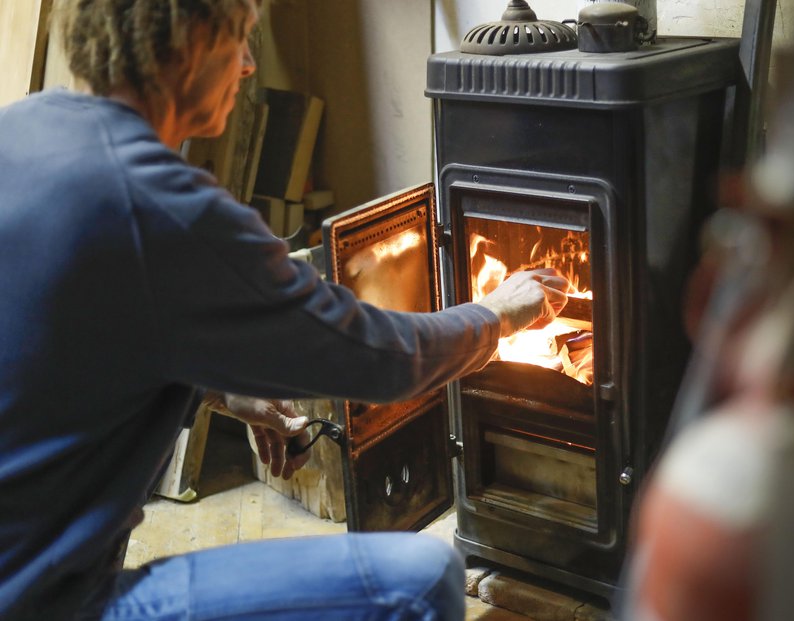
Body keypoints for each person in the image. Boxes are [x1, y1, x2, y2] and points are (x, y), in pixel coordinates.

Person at [0, 1, 570, 619]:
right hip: (50, 604)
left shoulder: (21, 132)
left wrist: (218, 392)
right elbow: (382, 359)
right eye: (240, 39)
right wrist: (501, 311)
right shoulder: (166, 209)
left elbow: (72, 354)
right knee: (422, 576)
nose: (248, 66)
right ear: (190, 44)